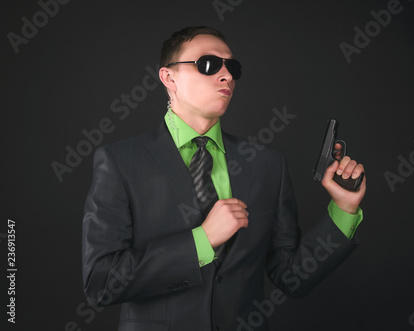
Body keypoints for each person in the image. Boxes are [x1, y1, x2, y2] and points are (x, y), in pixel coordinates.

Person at [82, 26, 366, 331]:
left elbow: (293, 277)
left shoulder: (267, 165)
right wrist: (201, 241)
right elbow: (102, 282)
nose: (226, 76)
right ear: (169, 77)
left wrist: (343, 210)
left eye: (233, 67)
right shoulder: (121, 161)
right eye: (209, 64)